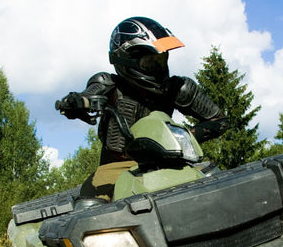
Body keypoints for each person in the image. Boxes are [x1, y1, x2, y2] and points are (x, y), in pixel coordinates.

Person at [57, 16, 228, 200]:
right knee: (91, 207)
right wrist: (77, 103)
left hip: (170, 165)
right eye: (150, 62)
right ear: (127, 60)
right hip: (115, 169)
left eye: (161, 60)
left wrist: (181, 137)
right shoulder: (109, 85)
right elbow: (89, 94)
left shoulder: (177, 88)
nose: (158, 67)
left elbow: (219, 120)